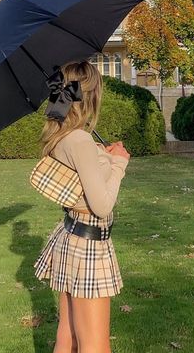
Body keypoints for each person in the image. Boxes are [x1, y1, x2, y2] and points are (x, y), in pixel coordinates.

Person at [34, 60, 131, 353]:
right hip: (89, 246)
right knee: (95, 346)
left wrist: (102, 155)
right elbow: (101, 204)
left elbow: (82, 175)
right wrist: (119, 164)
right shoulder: (80, 140)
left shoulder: (64, 136)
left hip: (71, 238)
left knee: (69, 336)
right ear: (90, 95)